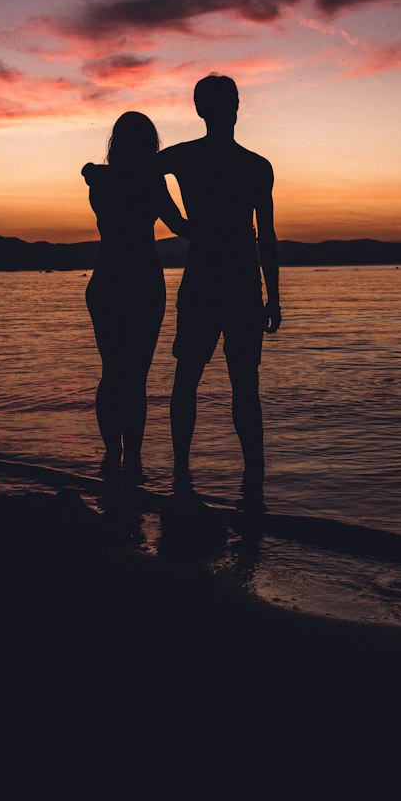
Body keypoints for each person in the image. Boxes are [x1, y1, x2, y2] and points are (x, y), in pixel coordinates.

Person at [158, 75, 281, 491]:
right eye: (231, 100)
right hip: (230, 280)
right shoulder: (252, 165)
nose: (233, 106)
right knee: (226, 381)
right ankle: (245, 478)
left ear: (200, 109)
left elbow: (139, 170)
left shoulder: (241, 164)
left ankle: (193, 475)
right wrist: (177, 221)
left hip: (225, 280)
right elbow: (266, 235)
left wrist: (178, 220)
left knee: (214, 379)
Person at [82, 111, 190, 483]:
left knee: (112, 372)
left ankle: (115, 457)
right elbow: (180, 227)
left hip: (108, 279)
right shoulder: (149, 180)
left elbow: (94, 173)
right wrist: (224, 230)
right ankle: (132, 460)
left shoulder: (100, 179)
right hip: (141, 281)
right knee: (134, 376)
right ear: (150, 145)